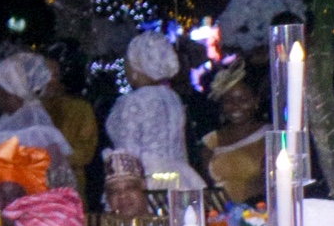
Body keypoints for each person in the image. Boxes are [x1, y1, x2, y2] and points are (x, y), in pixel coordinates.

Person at [107, 31, 196, 187]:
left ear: (137, 65)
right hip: (178, 177)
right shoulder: (172, 97)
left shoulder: (133, 101)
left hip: (146, 178)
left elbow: (128, 151)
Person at [201, 65, 267, 207]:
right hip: (219, 212)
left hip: (258, 211)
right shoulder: (212, 140)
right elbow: (205, 184)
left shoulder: (269, 136)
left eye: (243, 100)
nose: (235, 106)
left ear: (256, 102)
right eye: (229, 101)